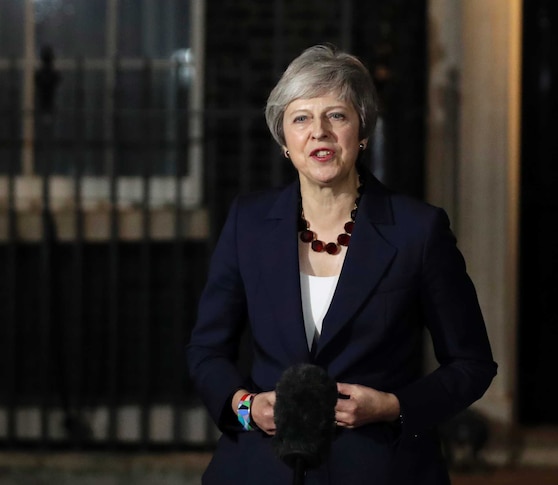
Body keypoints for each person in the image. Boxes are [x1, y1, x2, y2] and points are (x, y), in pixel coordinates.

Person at [186, 44, 497, 484]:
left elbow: (471, 364)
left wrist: (393, 407)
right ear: (284, 140)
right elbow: (206, 351)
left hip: (380, 468)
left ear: (362, 132)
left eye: (337, 115)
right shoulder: (248, 223)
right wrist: (246, 407)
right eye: (301, 118)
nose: (319, 132)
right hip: (259, 469)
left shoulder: (418, 230)